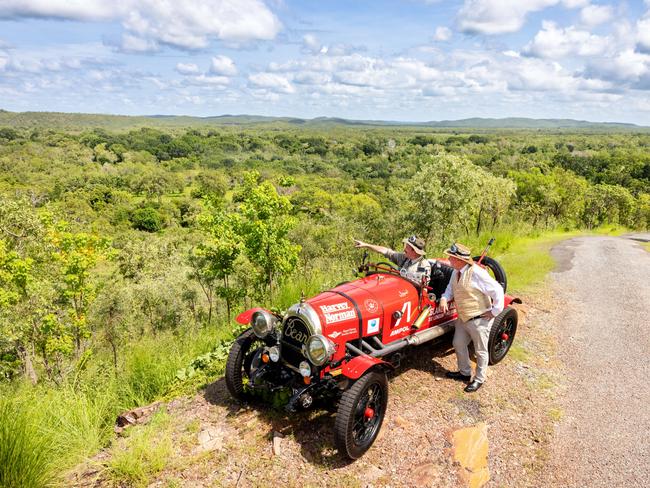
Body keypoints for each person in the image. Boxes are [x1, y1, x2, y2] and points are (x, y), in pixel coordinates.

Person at [438, 242, 504, 393]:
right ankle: (464, 372)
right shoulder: (456, 272)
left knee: (481, 350)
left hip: (479, 318)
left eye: (452, 257)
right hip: (463, 317)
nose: (449, 258)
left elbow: (498, 290)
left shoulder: (477, 272)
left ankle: (479, 379)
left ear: (460, 260)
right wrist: (444, 298)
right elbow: (450, 289)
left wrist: (494, 311)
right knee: (458, 343)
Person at [353, 235, 431, 284]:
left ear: (415, 251)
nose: (404, 249)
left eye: (407, 247)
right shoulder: (404, 258)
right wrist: (366, 245)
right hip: (397, 290)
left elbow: (422, 287)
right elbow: (386, 251)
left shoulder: (423, 265)